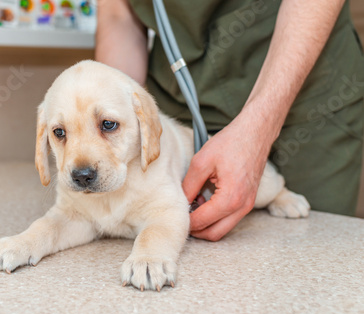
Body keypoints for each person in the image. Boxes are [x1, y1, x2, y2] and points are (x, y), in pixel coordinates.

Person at [95, 0, 364, 241]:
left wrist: (255, 134)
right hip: (179, 102)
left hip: (307, 95)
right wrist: (111, 129)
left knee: (311, 254)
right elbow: (118, 14)